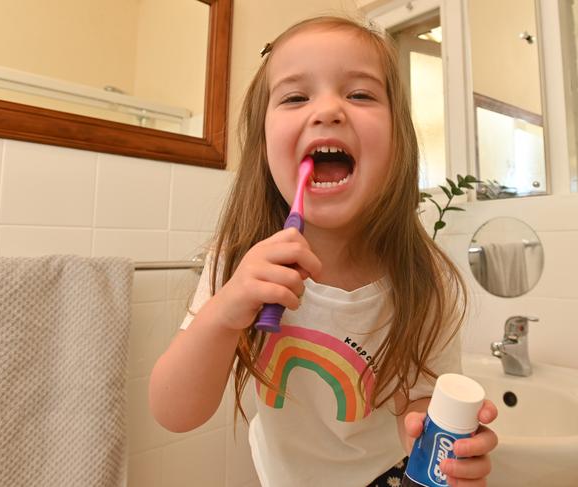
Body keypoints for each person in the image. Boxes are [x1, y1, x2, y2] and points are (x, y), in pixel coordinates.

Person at [149, 15, 498, 487]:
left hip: (384, 476)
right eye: (295, 97)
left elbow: (416, 403)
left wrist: (437, 436)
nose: (328, 110)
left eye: (360, 94)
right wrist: (225, 311)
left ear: (398, 142)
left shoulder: (422, 278)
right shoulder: (237, 263)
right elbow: (174, 413)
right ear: (263, 144)